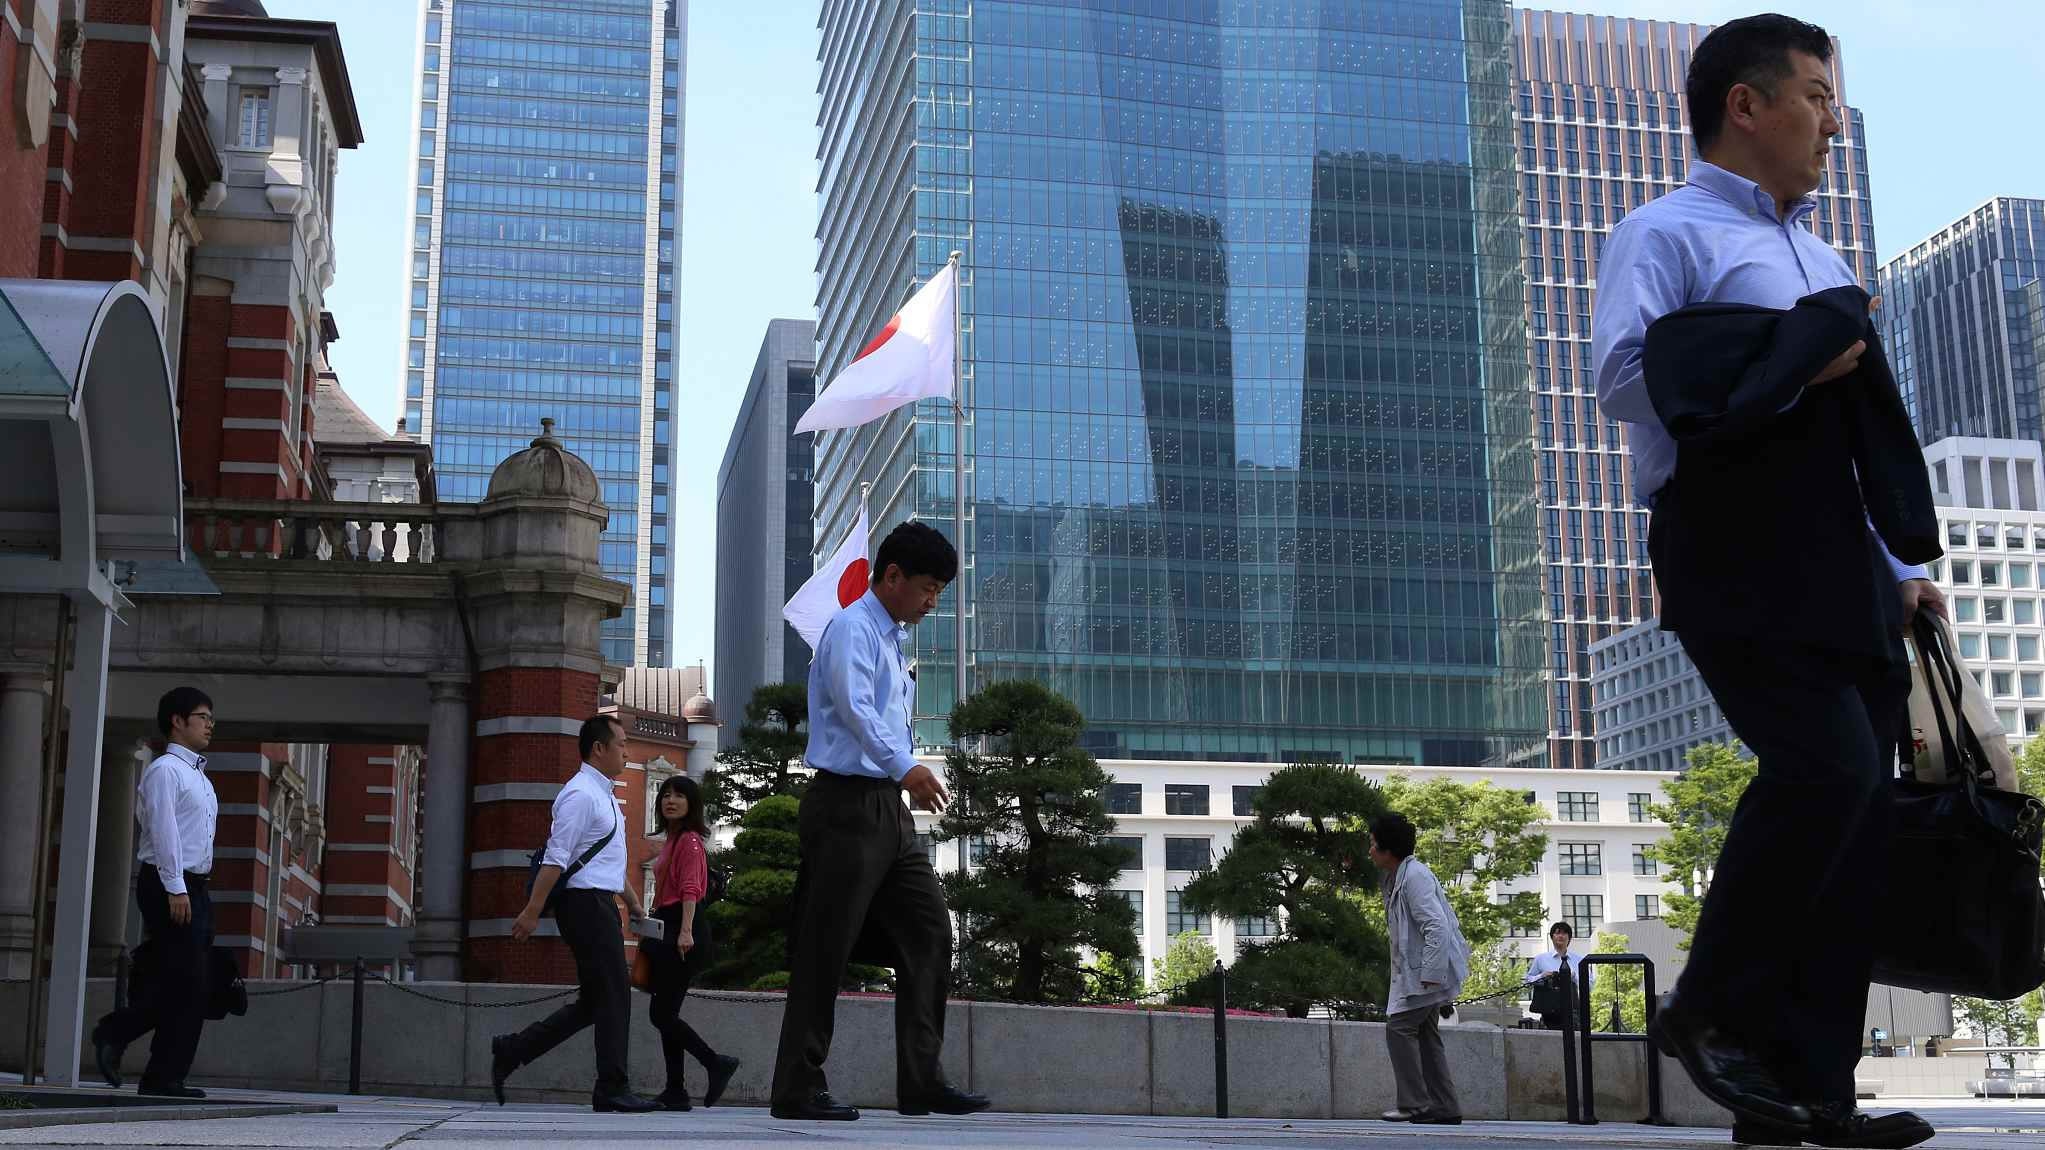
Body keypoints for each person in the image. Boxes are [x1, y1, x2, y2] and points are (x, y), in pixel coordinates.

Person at [1591, 15, 1940, 1150]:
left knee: (1861, 817)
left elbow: (1858, 426)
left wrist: (1897, 566)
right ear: (1746, 105)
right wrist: (1788, 358)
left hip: (1836, 546)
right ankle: (1707, 1007)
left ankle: (1809, 1092)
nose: (1832, 121)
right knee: (1822, 769)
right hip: (1726, 534)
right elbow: (1624, 378)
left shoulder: (1824, 256)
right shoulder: (1662, 230)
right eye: (1816, 97)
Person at [769, 521, 990, 1122]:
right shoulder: (850, 629)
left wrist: (902, 779)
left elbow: (885, 716)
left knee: (929, 931)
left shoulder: (890, 637)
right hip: (844, 803)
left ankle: (921, 1081)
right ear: (891, 577)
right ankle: (796, 1086)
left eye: (939, 590)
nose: (932, 601)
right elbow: (854, 707)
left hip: (888, 812)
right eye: (927, 588)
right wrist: (904, 767)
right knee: (826, 948)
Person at [490, 715, 657, 1113]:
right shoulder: (580, 794)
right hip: (584, 906)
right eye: (620, 745)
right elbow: (557, 857)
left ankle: (513, 1050)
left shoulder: (604, 796)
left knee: (595, 1001)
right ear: (598, 748)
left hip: (599, 902)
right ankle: (612, 1088)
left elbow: (607, 862)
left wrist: (633, 903)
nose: (626, 752)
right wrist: (531, 912)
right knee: (614, 994)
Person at [92, 687, 219, 1097]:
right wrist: (176, 887)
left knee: (186, 984)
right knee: (190, 983)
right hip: (171, 883)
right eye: (202, 716)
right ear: (177, 721)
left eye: (210, 717)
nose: (209, 724)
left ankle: (162, 1075)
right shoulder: (166, 770)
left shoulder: (198, 774)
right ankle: (122, 1040)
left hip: (193, 886)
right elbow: (163, 833)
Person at [644, 773, 741, 1111]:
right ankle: (676, 1090)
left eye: (679, 796)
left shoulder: (689, 841)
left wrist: (685, 931)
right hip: (666, 925)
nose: (670, 800)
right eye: (666, 795)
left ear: (691, 804)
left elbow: (690, 890)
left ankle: (715, 1063)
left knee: (662, 1013)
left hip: (683, 928)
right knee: (666, 1012)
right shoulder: (671, 839)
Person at [1369, 811, 1467, 1126]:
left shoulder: (1415, 877)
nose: (1369, 850)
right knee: (1425, 1033)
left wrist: (1431, 974)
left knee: (1399, 1028)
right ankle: (1444, 1105)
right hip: (1421, 973)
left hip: (1426, 974)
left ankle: (1414, 1104)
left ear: (1388, 851)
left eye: (1372, 845)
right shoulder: (1401, 874)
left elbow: (1436, 927)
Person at [1524, 922, 1588, 1030]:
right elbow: (1527, 981)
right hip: (1548, 1011)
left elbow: (1590, 985)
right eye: (1557, 933)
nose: (1561, 936)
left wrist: (1574, 977)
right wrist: (1541, 976)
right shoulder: (1541, 959)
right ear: (1552, 937)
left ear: (1569, 938)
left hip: (1573, 1011)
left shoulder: (1579, 960)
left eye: (1564, 933)